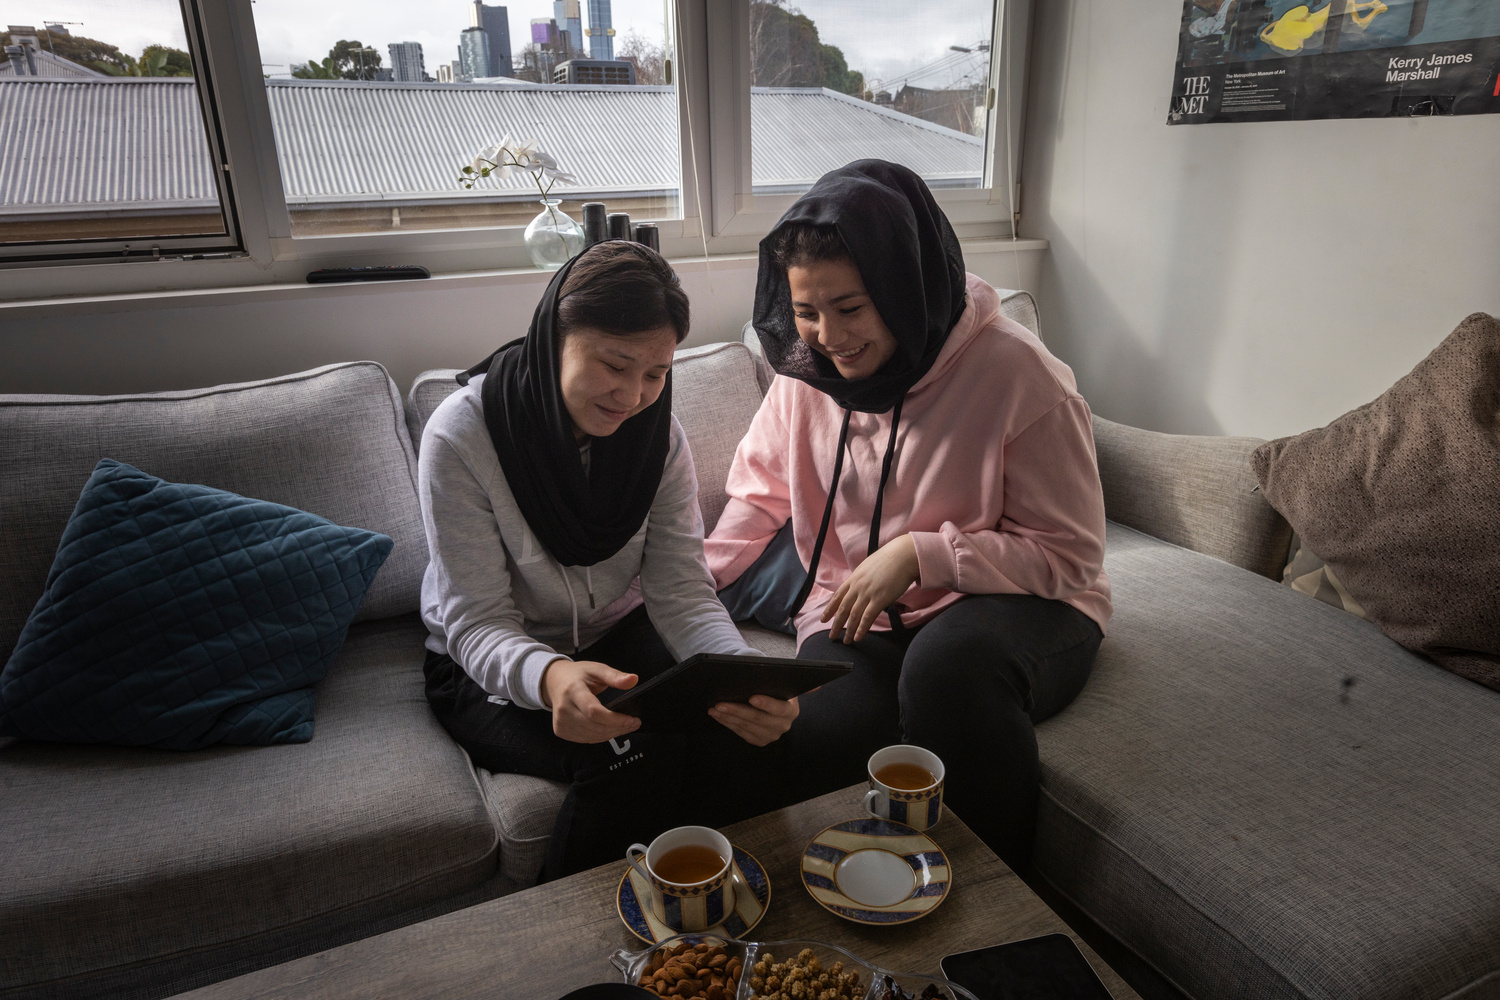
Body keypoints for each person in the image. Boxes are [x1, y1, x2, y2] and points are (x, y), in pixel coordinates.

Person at [706, 160, 1112, 871]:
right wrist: (677, 594)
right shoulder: (808, 373)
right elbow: (760, 497)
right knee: (813, 731)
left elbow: (1072, 556)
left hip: (1028, 602)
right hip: (862, 612)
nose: (827, 336)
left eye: (851, 307)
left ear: (904, 286)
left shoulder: (1019, 375)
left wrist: (921, 555)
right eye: (806, 311)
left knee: (946, 674)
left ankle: (1002, 919)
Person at [418, 241, 799, 880]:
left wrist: (742, 674)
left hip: (616, 637)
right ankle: (590, 961)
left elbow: (681, 588)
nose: (633, 396)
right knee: (629, 758)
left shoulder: (660, 440)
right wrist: (547, 676)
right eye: (614, 365)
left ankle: (735, 931)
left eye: (656, 374)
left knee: (745, 733)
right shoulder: (462, 436)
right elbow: (477, 622)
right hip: (482, 663)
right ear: (553, 338)